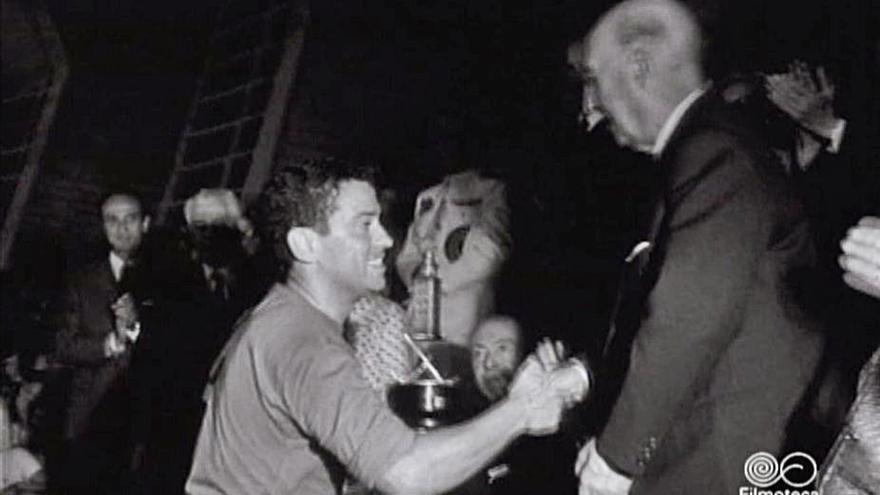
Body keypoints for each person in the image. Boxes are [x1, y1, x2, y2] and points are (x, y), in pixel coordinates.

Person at [185, 156, 590, 495]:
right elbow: (407, 472)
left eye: (380, 222)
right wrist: (522, 410)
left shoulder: (283, 317)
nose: (385, 239)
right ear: (305, 244)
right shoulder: (302, 340)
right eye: (364, 225)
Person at [567, 1, 824, 493]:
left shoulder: (715, 153)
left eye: (594, 80)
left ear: (639, 67)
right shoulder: (706, 147)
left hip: (725, 461)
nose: (590, 106)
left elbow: (687, 320)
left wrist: (614, 460)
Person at [131, 188, 267, 495]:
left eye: (220, 225)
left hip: (230, 424)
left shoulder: (254, 285)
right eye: (201, 227)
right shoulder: (169, 283)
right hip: (172, 420)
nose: (209, 235)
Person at [54, 192, 151, 494]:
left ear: (146, 224)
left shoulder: (166, 278)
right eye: (112, 220)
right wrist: (111, 343)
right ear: (103, 227)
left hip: (142, 421)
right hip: (89, 418)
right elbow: (64, 346)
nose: (122, 228)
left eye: (130, 219)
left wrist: (135, 327)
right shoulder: (81, 281)